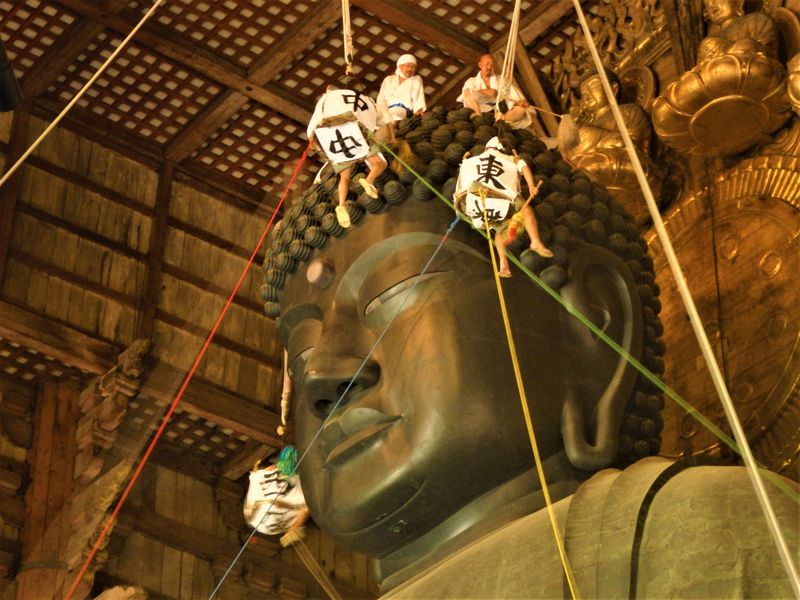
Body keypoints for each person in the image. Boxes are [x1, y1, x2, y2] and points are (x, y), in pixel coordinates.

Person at [265, 110, 799, 597]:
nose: (323, 375)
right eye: (300, 348)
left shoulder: (691, 525)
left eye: (394, 290)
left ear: (589, 326)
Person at [454, 136, 552, 276]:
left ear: (486, 149)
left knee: (498, 227)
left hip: (471, 202)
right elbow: (524, 168)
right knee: (526, 212)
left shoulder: (472, 160)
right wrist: (531, 186)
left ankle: (503, 263)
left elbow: (462, 175)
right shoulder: (511, 159)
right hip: (500, 199)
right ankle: (534, 242)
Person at [307, 86, 387, 228]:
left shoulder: (323, 104)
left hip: (333, 141)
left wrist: (316, 145)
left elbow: (311, 132)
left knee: (344, 177)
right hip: (351, 131)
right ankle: (369, 180)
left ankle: (342, 204)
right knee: (379, 163)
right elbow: (375, 116)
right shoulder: (348, 97)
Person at [458, 54, 532, 127]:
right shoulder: (471, 81)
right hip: (482, 111)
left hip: (501, 113)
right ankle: (479, 118)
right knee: (469, 98)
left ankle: (500, 121)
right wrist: (484, 92)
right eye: (487, 64)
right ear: (480, 65)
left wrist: (519, 102)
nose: (489, 67)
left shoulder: (501, 80)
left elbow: (513, 95)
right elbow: (466, 94)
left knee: (521, 111)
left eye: (492, 65)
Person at [377, 54, 426, 122]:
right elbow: (381, 98)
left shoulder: (416, 79)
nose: (410, 69)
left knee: (395, 112)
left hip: (405, 110)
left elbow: (419, 96)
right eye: (408, 66)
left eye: (413, 67)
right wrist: (380, 110)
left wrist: (418, 109)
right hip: (387, 111)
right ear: (400, 66)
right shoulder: (388, 79)